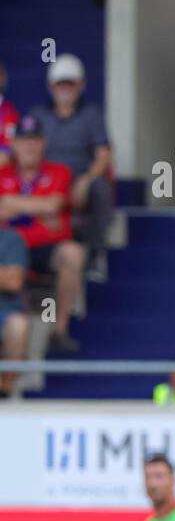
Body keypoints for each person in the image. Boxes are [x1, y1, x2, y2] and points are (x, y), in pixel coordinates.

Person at [0, 114, 85, 351]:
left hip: (44, 250)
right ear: (14, 144)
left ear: (43, 143)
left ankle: (58, 331)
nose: (30, 146)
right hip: (8, 251)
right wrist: (40, 211)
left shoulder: (60, 172)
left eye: (35, 140)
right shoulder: (3, 173)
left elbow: (53, 206)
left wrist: (10, 205)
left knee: (73, 253)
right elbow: (44, 208)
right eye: (24, 140)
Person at [29, 54, 113, 281]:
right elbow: (27, 155)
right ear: (50, 85)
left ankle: (95, 255)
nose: (65, 88)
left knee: (99, 186)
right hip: (48, 184)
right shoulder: (39, 116)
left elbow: (104, 153)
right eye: (60, 83)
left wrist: (85, 180)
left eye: (70, 83)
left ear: (81, 84)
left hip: (79, 183)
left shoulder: (91, 114)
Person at [0, 225, 27, 397]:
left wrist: (8, 277)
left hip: (5, 311)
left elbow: (14, 282)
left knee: (18, 325)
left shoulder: (11, 239)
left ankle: (5, 390)